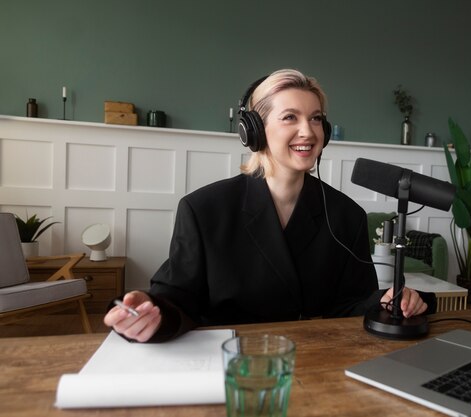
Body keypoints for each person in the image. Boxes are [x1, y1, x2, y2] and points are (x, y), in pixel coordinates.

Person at [104, 69, 436, 342]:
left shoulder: (346, 214)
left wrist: (386, 301)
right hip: (231, 361)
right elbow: (177, 299)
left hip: (318, 359)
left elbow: (348, 303)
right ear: (255, 131)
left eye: (316, 118)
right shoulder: (204, 209)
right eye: (290, 117)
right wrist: (150, 313)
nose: (308, 131)